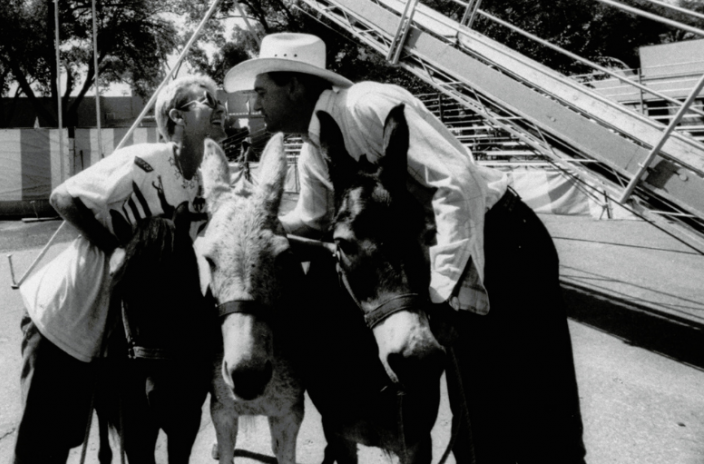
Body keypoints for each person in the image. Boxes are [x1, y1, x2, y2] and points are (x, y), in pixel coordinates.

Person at [223, 32, 585, 464]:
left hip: (502, 239)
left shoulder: (366, 104)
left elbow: (459, 184)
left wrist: (446, 290)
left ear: (295, 86)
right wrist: (241, 230)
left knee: (528, 400)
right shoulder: (314, 151)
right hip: (450, 250)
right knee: (477, 412)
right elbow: (314, 224)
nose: (257, 104)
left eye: (263, 92)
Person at [12, 75, 228, 464]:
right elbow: (62, 197)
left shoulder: (199, 183)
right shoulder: (143, 162)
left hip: (115, 330)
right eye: (209, 101)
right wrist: (113, 247)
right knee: (42, 450)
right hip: (67, 318)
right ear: (178, 118)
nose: (221, 108)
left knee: (75, 435)